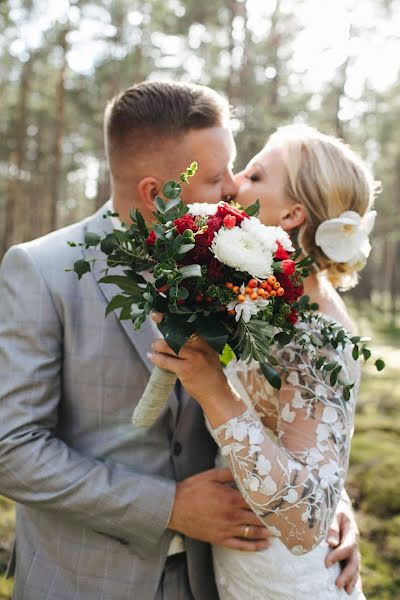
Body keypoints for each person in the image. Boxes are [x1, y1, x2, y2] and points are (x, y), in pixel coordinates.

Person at [0, 82, 359, 599]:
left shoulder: (238, 262)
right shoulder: (42, 271)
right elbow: (12, 450)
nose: (233, 188)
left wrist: (330, 504)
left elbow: (290, 409)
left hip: (211, 579)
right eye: (216, 178)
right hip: (83, 580)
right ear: (156, 192)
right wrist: (169, 507)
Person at [147, 124, 376, 599]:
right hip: (239, 568)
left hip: (287, 582)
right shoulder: (265, 296)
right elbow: (308, 446)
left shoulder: (319, 333)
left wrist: (213, 388)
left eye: (254, 175)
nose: (233, 185)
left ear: (293, 213)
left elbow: (303, 524)